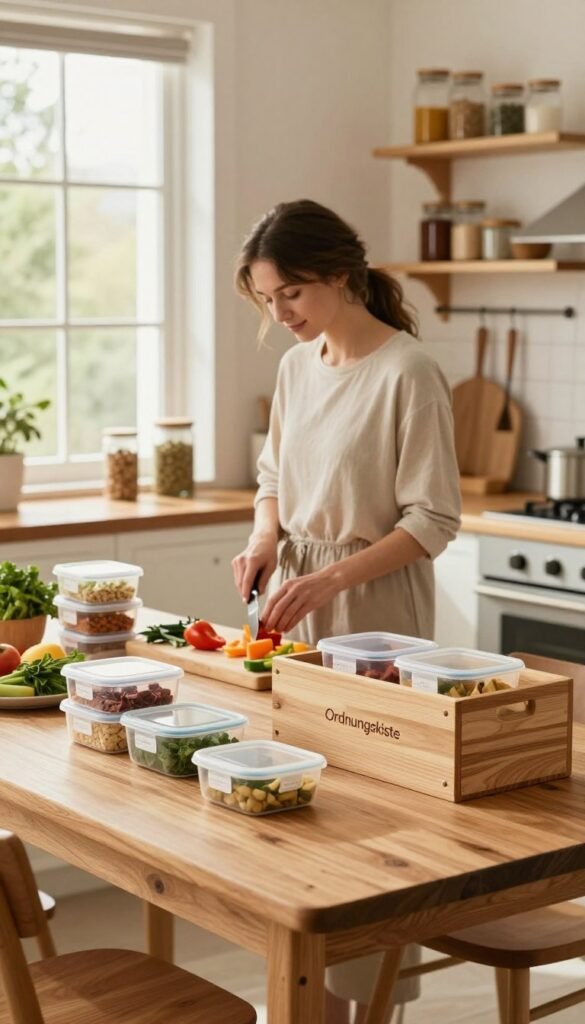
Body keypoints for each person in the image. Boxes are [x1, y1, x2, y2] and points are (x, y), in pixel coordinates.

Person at [232, 199, 461, 1023]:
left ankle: (372, 1009)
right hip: (295, 600)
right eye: (266, 299)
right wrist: (266, 539)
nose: (279, 313)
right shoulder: (297, 369)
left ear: (339, 274)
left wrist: (331, 582)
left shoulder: (407, 372)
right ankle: (305, 1002)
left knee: (371, 826)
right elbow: (271, 480)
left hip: (378, 609)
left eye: (290, 292)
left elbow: (431, 520)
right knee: (299, 817)